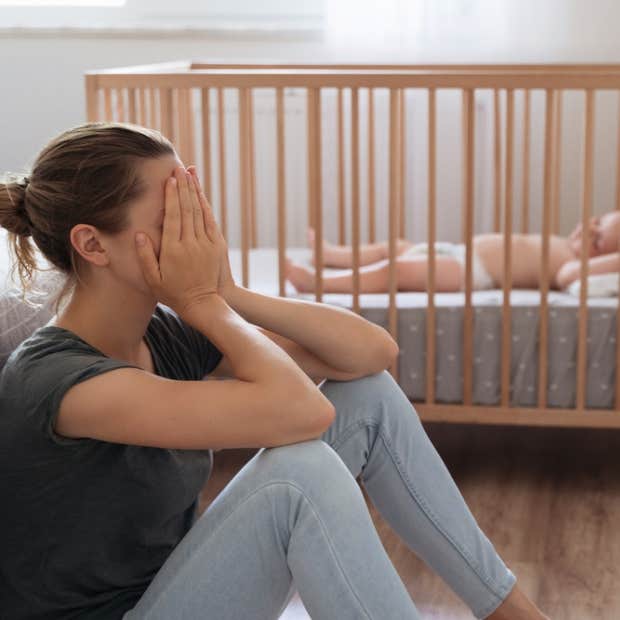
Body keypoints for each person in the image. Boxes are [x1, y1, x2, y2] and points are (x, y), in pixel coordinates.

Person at [0, 121, 550, 620]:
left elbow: (370, 354)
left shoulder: (163, 333)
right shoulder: (55, 381)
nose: (201, 236)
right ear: (92, 244)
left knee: (369, 398)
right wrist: (204, 303)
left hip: (172, 592)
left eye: (198, 209)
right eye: (176, 218)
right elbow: (303, 413)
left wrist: (230, 294)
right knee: (298, 475)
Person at [285, 214, 620, 294]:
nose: (589, 229)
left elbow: (568, 279)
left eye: (599, 237)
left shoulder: (573, 265)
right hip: (460, 252)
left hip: (472, 274)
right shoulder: (569, 245)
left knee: (398, 269)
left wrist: (611, 261)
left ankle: (321, 284)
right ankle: (332, 254)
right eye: (596, 221)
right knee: (396, 246)